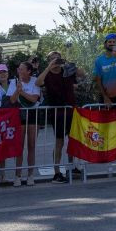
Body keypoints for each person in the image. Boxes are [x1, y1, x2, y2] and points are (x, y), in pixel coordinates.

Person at [37, 50, 83, 183]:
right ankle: (56, 172)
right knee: (59, 142)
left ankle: (72, 167)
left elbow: (82, 74)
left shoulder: (67, 71)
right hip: (57, 112)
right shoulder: (48, 74)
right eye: (52, 58)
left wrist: (69, 64)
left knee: (72, 140)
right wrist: (48, 67)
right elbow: (38, 83)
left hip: (70, 109)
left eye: (58, 58)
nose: (56, 60)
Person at [9, 62, 42, 186]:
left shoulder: (35, 81)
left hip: (33, 114)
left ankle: (30, 175)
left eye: (22, 69)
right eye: (18, 69)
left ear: (28, 71)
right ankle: (17, 175)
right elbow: (12, 100)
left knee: (31, 145)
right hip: (20, 115)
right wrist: (17, 91)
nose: (19, 70)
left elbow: (34, 99)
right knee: (20, 146)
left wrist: (21, 92)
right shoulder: (14, 81)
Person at [94, 34, 116, 105]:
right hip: (106, 96)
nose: (112, 44)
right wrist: (105, 97)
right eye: (110, 42)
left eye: (114, 42)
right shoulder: (99, 60)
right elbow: (98, 80)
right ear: (105, 44)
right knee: (105, 116)